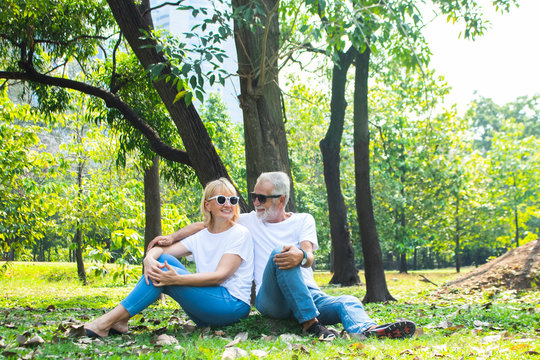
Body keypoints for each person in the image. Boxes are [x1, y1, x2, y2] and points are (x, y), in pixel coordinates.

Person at [152, 172, 416, 340]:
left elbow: (309, 255)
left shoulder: (303, 219)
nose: (255, 202)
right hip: (272, 299)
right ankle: (311, 326)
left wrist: (301, 256)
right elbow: (208, 224)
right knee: (281, 252)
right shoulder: (248, 221)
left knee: (346, 299)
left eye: (262, 199)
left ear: (281, 199)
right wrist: (173, 237)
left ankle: (367, 331)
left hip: (309, 294)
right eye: (254, 196)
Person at [84, 178, 254, 338]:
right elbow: (162, 250)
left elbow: (219, 277)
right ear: (207, 205)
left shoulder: (239, 234)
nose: (228, 204)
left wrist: (177, 279)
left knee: (164, 269)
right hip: (205, 311)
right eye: (221, 199)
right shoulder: (201, 235)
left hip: (232, 306)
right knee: (161, 262)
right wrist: (148, 259)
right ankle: (120, 320)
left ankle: (106, 322)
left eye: (232, 200)